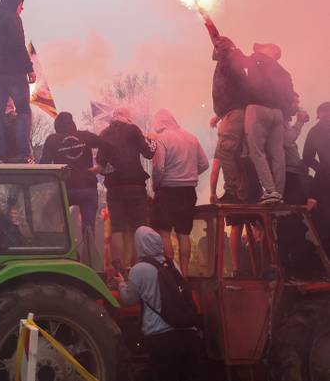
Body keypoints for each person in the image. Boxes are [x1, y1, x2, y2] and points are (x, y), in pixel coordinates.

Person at [115, 227, 201, 381]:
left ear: (139, 245)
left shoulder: (139, 269)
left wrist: (122, 283)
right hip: (188, 333)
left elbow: (129, 300)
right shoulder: (172, 264)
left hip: (161, 338)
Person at [94, 107, 156, 270]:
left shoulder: (104, 134)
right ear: (128, 117)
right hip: (135, 185)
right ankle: (141, 268)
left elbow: (100, 164)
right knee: (140, 227)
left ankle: (119, 271)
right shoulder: (133, 130)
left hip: (114, 188)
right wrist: (152, 139)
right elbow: (149, 153)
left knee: (117, 229)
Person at [150, 109, 209, 277]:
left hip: (167, 191)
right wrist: (189, 174)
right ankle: (184, 274)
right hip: (188, 191)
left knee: (164, 231)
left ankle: (170, 272)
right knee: (184, 233)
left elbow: (159, 168)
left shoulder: (161, 139)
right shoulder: (191, 138)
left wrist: (156, 185)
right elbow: (204, 164)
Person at [0, 0, 35, 163]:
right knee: (23, 111)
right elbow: (19, 45)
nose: (22, 9)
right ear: (13, 5)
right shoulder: (13, 19)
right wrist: (30, 69)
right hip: (15, 72)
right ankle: (23, 152)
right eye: (20, 5)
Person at [245, 42, 296, 203]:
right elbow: (289, 98)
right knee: (278, 154)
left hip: (257, 108)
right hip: (278, 113)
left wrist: (257, 50)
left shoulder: (257, 58)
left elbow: (240, 63)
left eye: (266, 46)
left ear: (273, 51)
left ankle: (270, 191)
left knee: (257, 151)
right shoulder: (285, 73)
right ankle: (278, 193)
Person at [41, 112, 105, 234]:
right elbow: (108, 146)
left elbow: (44, 164)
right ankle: (89, 250)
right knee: (88, 228)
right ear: (73, 123)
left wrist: (47, 183)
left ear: (57, 126)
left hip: (65, 188)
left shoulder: (53, 139)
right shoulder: (85, 136)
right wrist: (101, 165)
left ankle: (61, 244)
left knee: (48, 215)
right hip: (88, 187)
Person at [209, 36, 252, 203]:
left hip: (234, 113)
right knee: (233, 153)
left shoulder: (231, 58)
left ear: (224, 47)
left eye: (218, 46)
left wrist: (205, 16)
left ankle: (232, 191)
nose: (214, 49)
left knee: (225, 149)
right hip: (230, 113)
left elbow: (215, 36)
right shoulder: (226, 62)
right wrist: (219, 116)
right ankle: (240, 191)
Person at [304, 102, 330, 247]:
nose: (328, 115)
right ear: (319, 114)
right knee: (325, 223)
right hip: (325, 182)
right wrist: (323, 168)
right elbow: (307, 157)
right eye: (325, 112)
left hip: (324, 179)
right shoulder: (315, 131)